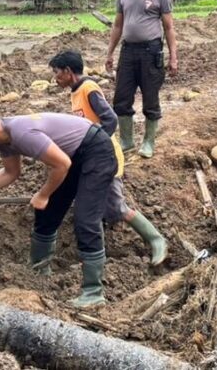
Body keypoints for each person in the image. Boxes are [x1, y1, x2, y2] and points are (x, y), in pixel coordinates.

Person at [0, 108, 117, 307]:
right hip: (72, 157)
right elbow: (10, 172)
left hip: (95, 151)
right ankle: (39, 270)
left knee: (85, 219)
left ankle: (93, 293)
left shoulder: (21, 132)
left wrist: (43, 194)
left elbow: (62, 165)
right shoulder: (5, 140)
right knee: (46, 212)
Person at [48, 50, 167, 266]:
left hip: (106, 157)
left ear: (67, 71)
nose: (55, 78)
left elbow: (110, 120)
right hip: (91, 158)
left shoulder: (89, 89)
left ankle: (156, 239)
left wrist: (93, 144)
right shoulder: (76, 91)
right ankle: (94, 254)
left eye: (57, 73)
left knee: (115, 206)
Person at [105, 0, 178, 159]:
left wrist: (173, 58)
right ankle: (127, 141)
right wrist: (110, 52)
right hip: (127, 52)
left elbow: (169, 28)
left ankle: (148, 141)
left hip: (151, 52)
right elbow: (117, 26)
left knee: (150, 99)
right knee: (121, 97)